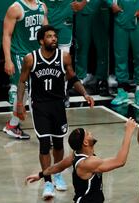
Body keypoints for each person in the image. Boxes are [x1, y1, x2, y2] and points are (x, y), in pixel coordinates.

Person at [17, 25, 95, 199]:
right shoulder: (31, 59)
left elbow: (73, 77)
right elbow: (22, 81)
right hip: (39, 106)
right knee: (45, 144)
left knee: (59, 144)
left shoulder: (64, 57)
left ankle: (58, 174)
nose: (54, 39)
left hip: (58, 104)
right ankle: (47, 181)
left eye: (55, 36)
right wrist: (19, 104)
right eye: (49, 36)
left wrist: (85, 94)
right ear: (41, 40)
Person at [25, 118, 137, 202]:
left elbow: (58, 166)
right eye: (88, 133)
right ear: (85, 143)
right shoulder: (88, 163)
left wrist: (40, 175)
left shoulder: (75, 155)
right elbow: (120, 161)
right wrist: (129, 132)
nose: (91, 133)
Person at [2, 0, 48, 139]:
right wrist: (8, 60)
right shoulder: (16, 8)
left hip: (36, 55)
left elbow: (47, 32)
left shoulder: (42, 6)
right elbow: (6, 35)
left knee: (37, 91)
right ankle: (14, 125)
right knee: (25, 89)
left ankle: (13, 124)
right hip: (20, 54)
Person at [108, 0, 139, 107]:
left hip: (138, 21)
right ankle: (121, 91)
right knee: (120, 57)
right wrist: (110, 4)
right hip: (120, 20)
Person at [73, 0, 110, 96]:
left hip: (101, 9)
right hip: (82, 10)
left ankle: (102, 79)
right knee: (81, 46)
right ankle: (80, 79)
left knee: (102, 47)